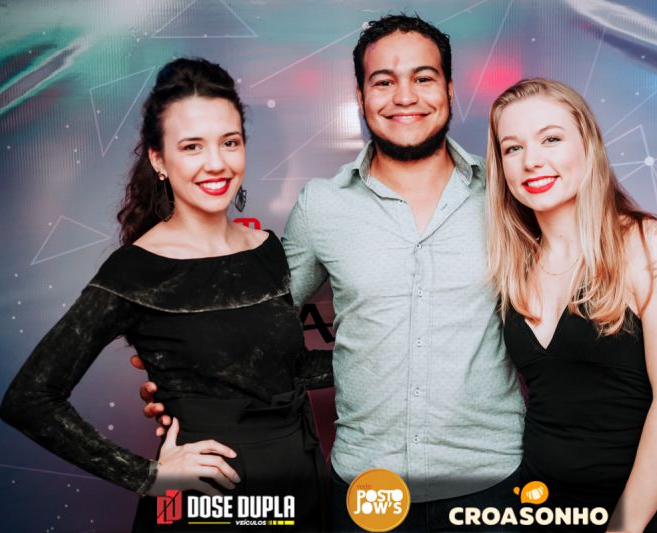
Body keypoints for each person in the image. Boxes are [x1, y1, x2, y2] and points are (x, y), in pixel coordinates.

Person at [140, 14, 525, 532]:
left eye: (423, 77)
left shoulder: (507, 194)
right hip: (369, 490)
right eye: (383, 82)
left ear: (450, 90)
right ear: (361, 97)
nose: (404, 96)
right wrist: (185, 384)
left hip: (494, 487)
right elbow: (258, 329)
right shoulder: (321, 205)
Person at [0, 58, 330, 532]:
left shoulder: (267, 249)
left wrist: (386, 358)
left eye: (229, 142)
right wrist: (146, 476)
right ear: (158, 159)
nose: (216, 163)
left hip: (299, 483)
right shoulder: (136, 270)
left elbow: (287, 372)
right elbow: (29, 398)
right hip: (209, 504)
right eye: (192, 146)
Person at [485, 78, 657, 532]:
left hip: (646, 518)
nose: (531, 160)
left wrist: (624, 526)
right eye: (513, 148)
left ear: (588, 145)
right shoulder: (514, 266)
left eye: (551, 139)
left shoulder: (647, 245)